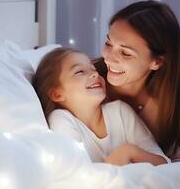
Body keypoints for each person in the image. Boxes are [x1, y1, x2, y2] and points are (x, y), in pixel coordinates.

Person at [94, 0, 180, 163]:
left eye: (126, 53)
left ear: (157, 62)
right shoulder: (89, 78)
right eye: (108, 43)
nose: (109, 58)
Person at [33, 47, 170, 166]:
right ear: (57, 94)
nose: (95, 74)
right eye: (80, 72)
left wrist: (130, 152)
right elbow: (76, 172)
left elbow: (163, 163)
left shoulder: (120, 112)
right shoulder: (61, 120)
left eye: (93, 69)